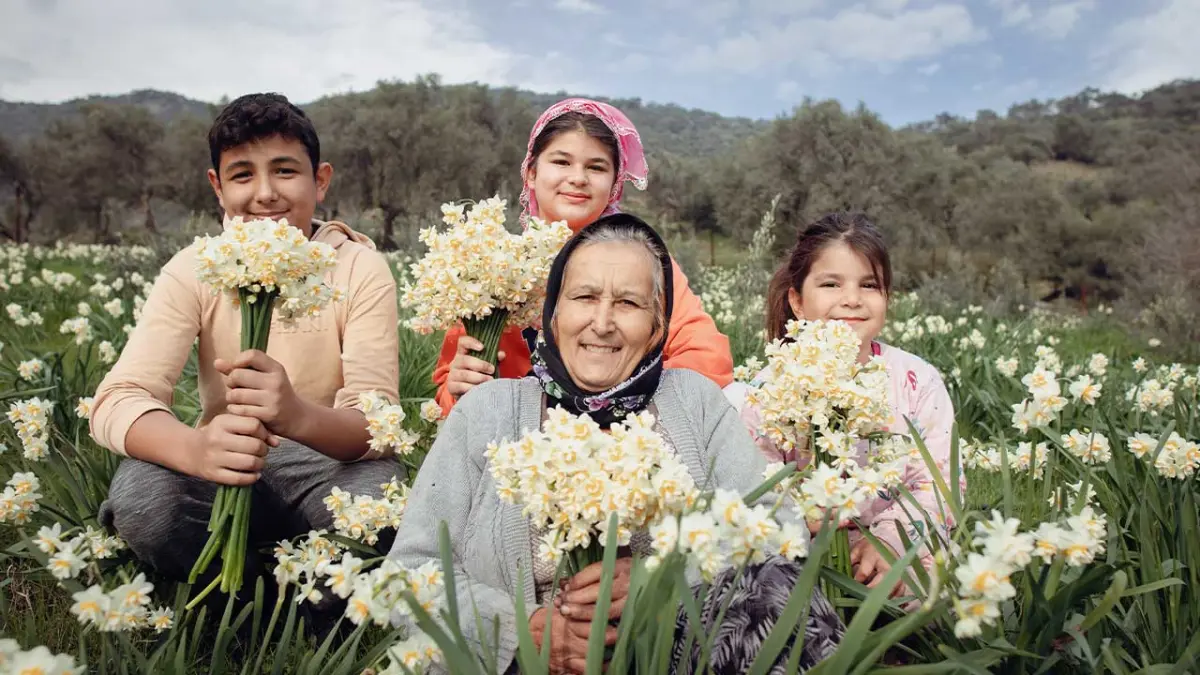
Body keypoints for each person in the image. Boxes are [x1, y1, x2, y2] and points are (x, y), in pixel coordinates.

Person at [391, 214, 842, 675]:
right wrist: (521, 632)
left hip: (676, 652)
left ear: (656, 324)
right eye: (584, 297)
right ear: (554, 313)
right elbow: (408, 572)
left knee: (780, 593)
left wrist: (663, 581)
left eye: (627, 303)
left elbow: (778, 533)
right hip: (516, 664)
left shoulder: (693, 401)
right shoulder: (487, 411)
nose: (602, 322)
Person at [92, 93, 402, 592]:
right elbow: (117, 399)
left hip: (327, 463)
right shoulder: (194, 268)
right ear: (217, 187)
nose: (265, 194)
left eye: (284, 171)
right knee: (144, 502)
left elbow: (377, 425)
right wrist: (194, 449)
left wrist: (296, 415)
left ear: (320, 180)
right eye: (242, 175)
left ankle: (304, 601)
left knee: (384, 504)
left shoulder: (358, 267)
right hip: (222, 458)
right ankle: (250, 592)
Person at [430, 98, 733, 416]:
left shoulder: (647, 264)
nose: (578, 178)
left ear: (615, 183)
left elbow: (706, 355)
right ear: (531, 173)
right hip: (513, 445)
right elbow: (449, 396)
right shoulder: (495, 269)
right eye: (561, 162)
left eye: (596, 167)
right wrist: (459, 388)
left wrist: (627, 414)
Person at [728, 212, 962, 593]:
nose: (852, 300)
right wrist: (797, 518)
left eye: (869, 285)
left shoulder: (918, 382)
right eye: (831, 284)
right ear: (798, 302)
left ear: (887, 297)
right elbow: (754, 482)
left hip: (900, 543)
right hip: (798, 547)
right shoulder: (771, 388)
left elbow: (938, 485)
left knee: (939, 586)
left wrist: (891, 541)